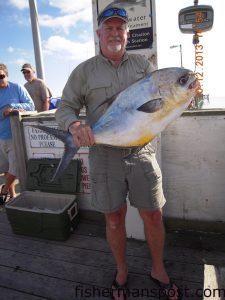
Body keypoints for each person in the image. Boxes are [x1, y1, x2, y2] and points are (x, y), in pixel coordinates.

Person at [55, 5, 181, 300]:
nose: (114, 33)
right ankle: (122, 270)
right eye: (108, 28)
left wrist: (184, 98)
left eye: (119, 28)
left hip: (141, 153)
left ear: (128, 33)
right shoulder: (84, 71)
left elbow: (163, 106)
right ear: (99, 33)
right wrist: (73, 125)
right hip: (104, 156)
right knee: (113, 218)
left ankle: (158, 269)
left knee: (153, 215)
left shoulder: (144, 66)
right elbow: (65, 107)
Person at [0, 63, 35, 204]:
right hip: (0, 138)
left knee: (14, 168)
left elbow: (31, 105)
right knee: (7, 168)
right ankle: (12, 196)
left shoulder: (17, 88)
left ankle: (3, 191)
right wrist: (3, 112)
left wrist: (13, 107)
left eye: (1, 75)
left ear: (7, 75)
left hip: (15, 136)